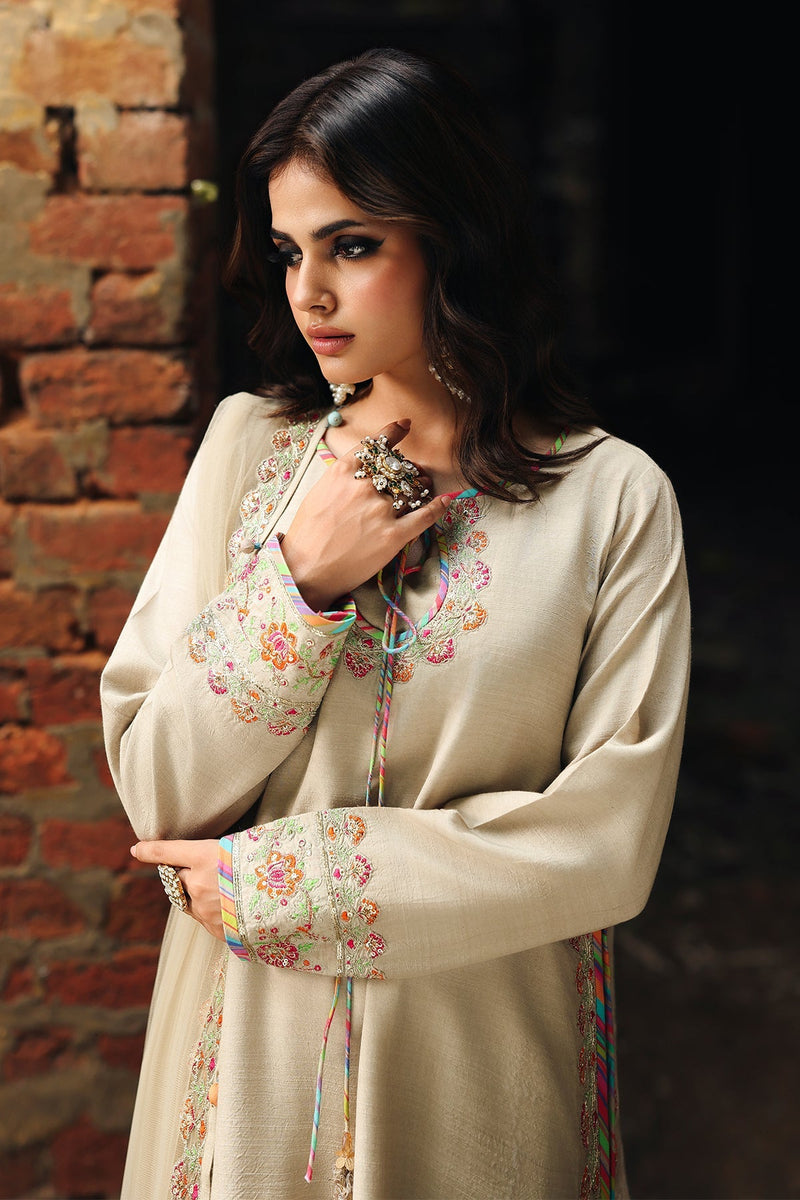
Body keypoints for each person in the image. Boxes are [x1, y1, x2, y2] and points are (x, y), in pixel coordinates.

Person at [100, 47, 690, 1200]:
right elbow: (159, 790)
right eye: (289, 252)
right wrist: (299, 584)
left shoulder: (612, 501)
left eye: (352, 246)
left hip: (476, 1066)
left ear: (451, 238)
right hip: (249, 1067)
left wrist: (292, 884)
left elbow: (605, 845)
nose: (308, 293)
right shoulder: (248, 453)